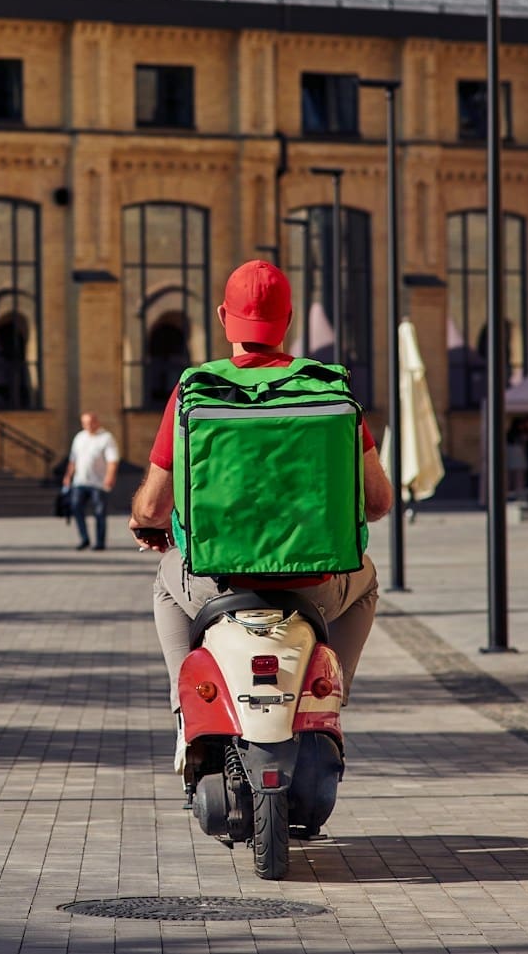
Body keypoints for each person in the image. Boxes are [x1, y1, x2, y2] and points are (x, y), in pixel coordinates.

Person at [127, 259, 394, 767]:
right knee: (368, 579)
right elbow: (378, 502)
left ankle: (190, 713)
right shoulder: (329, 389)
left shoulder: (195, 391)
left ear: (225, 317)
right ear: (288, 319)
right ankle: (326, 701)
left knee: (166, 582)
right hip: (314, 584)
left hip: (218, 582)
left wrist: (144, 520)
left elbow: (155, 505)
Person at [62, 411, 119, 551]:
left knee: (99, 512)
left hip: (98, 483)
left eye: (90, 422)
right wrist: (68, 476)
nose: (88, 425)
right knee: (76, 508)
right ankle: (84, 538)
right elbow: (73, 459)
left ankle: (100, 542)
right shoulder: (79, 437)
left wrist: (110, 476)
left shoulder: (106, 438)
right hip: (79, 481)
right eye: (85, 423)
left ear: (96, 421)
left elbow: (112, 460)